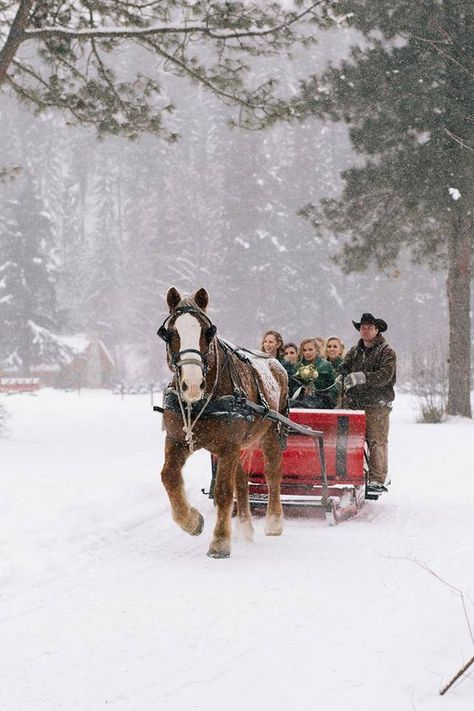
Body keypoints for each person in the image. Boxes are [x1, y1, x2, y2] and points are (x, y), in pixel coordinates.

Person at [339, 313, 396, 492]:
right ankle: (350, 473)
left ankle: (377, 479)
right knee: (349, 441)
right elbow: (343, 367)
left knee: (376, 442)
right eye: (363, 327)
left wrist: (362, 377)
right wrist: (341, 376)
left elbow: (385, 376)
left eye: (369, 327)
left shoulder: (387, 351)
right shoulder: (354, 351)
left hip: (377, 405)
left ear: (377, 330)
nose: (365, 330)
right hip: (354, 404)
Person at [290, 337, 337, 408]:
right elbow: (293, 386)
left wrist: (328, 399)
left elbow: (333, 386)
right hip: (301, 402)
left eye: (310, 349)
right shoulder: (298, 367)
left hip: (322, 402)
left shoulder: (326, 365)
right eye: (304, 350)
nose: (307, 353)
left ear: (317, 350)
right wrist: (302, 390)